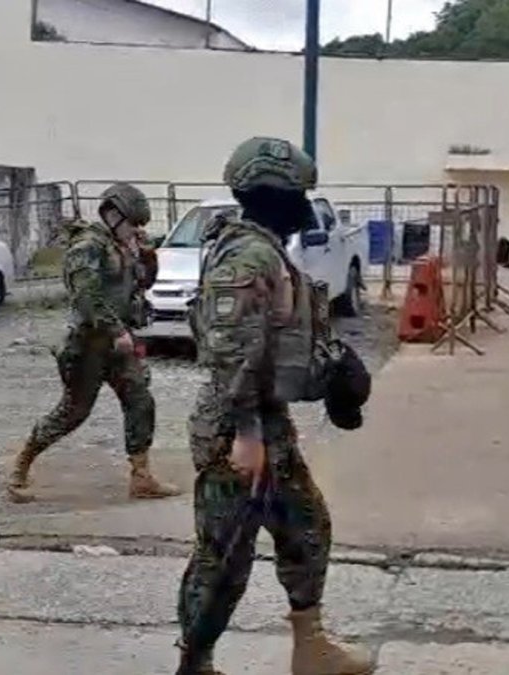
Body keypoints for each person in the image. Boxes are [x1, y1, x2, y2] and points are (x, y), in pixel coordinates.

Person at [176, 137, 376, 674]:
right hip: (236, 429)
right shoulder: (249, 255)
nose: (305, 206)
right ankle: (194, 664)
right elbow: (230, 348)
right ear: (274, 196)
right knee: (223, 560)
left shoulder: (264, 250)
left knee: (307, 529)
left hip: (266, 421)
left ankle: (311, 648)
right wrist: (246, 434)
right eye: (298, 195)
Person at [5, 183, 181, 502]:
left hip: (118, 344)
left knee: (140, 400)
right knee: (73, 412)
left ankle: (141, 476)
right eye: (133, 223)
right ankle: (21, 465)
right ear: (113, 216)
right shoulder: (87, 247)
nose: (136, 230)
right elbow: (86, 297)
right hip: (88, 344)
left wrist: (147, 255)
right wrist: (115, 330)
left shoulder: (123, 246)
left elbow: (143, 282)